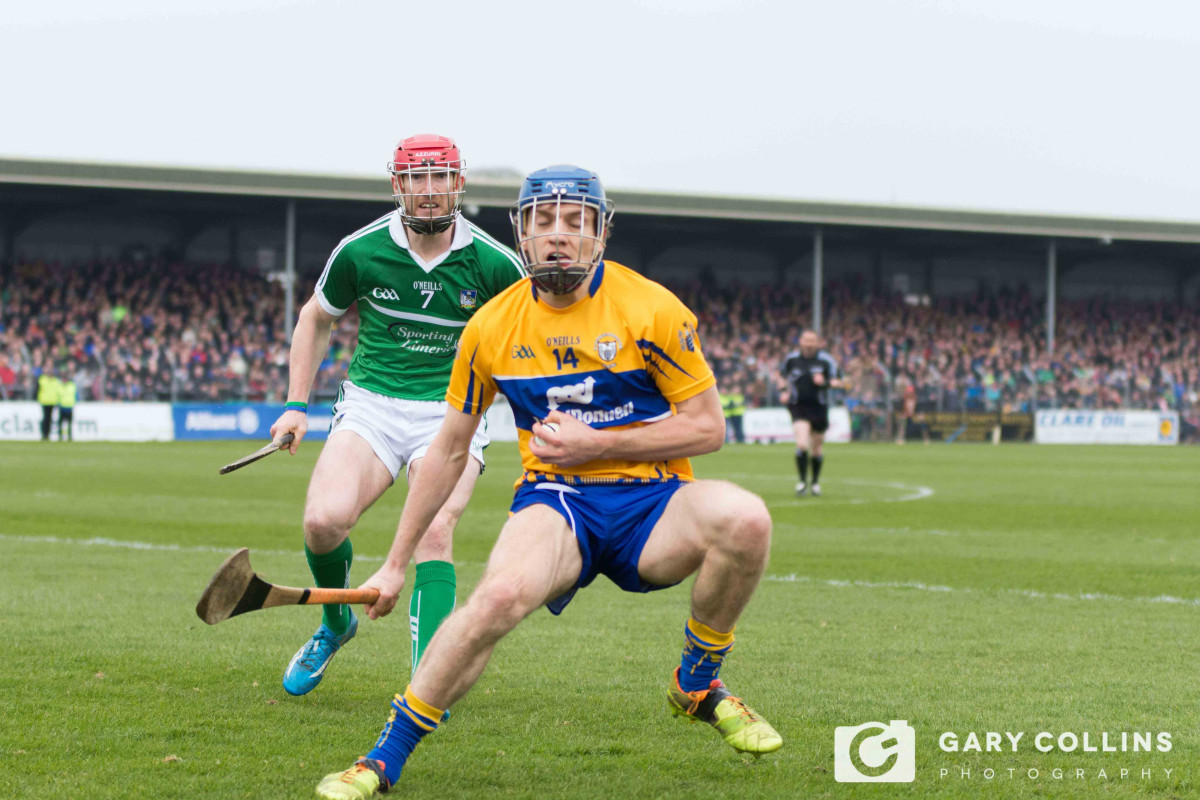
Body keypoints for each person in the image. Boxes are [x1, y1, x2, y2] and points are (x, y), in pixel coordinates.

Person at [315, 166, 781, 800]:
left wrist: (600, 444)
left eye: (574, 221)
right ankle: (381, 760)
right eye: (542, 221)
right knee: (498, 598)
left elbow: (707, 427)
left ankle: (697, 683)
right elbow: (450, 448)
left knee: (747, 519)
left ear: (601, 232)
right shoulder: (492, 326)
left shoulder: (651, 307)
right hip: (558, 503)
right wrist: (396, 562)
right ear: (521, 232)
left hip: (655, 501)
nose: (557, 235)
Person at [269, 134, 526, 697]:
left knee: (436, 529)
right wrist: (294, 405)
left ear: (459, 184)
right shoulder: (361, 250)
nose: (428, 191)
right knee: (321, 522)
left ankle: (425, 687)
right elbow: (315, 319)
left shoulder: (495, 263)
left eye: (440, 178)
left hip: (452, 412)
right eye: (416, 178)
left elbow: (530, 343)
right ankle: (336, 624)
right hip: (373, 403)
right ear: (397, 185)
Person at [779, 330, 844, 496]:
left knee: (817, 448)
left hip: (819, 407)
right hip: (798, 406)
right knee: (802, 444)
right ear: (800, 341)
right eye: (805, 340)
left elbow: (839, 382)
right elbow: (781, 376)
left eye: (812, 341)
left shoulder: (826, 361)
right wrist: (783, 390)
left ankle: (814, 483)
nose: (808, 344)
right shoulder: (792, 359)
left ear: (818, 343)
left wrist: (825, 382)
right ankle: (801, 482)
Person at [36, 362, 60, 441]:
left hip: (52, 402)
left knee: (49, 419)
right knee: (45, 418)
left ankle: (47, 434)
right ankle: (44, 433)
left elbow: (57, 391)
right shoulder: (43, 379)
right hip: (45, 401)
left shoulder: (55, 381)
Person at [58, 362, 78, 441]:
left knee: (69, 423)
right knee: (61, 423)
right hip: (62, 406)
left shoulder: (71, 385)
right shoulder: (61, 385)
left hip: (69, 406)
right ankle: (60, 436)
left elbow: (75, 396)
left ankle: (69, 436)